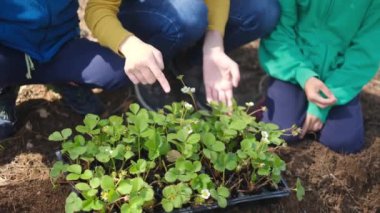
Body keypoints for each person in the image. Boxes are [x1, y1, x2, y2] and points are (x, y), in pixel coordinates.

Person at [85, 0, 280, 109]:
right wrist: (128, 44)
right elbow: (97, 9)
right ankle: (153, 70)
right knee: (189, 15)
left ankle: (189, 64)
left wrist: (214, 44)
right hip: (139, 10)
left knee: (262, 11)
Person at [259, 0, 380, 153]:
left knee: (345, 142)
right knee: (279, 132)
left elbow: (365, 54)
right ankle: (269, 101)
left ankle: (313, 107)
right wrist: (304, 75)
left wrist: (322, 103)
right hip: (294, 66)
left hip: (339, 77)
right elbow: (280, 32)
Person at [0, 0, 132, 139]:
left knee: (119, 71)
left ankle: (65, 81)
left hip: (61, 45)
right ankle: (6, 89)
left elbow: (101, 5)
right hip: (12, 50)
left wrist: (127, 44)